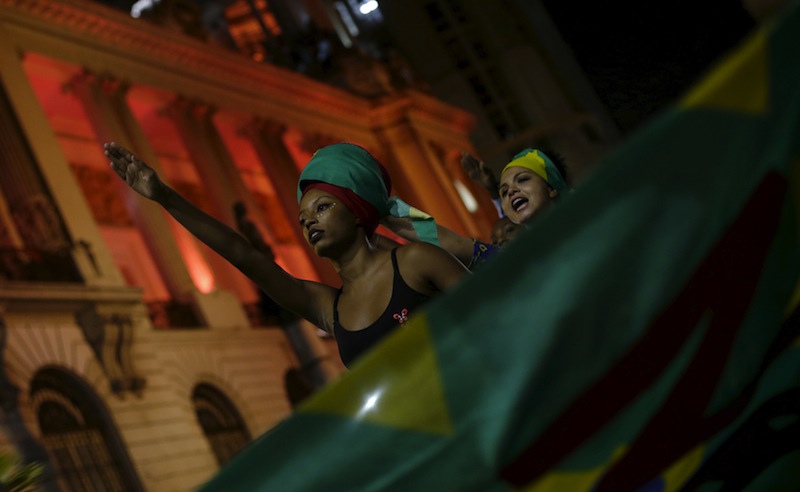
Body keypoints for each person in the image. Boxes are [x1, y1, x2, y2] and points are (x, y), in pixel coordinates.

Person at [104, 141, 468, 369]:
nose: (310, 221)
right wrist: (165, 197)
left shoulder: (418, 261)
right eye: (304, 218)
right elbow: (242, 254)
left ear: (357, 211)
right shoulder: (329, 308)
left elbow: (495, 311)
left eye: (322, 208)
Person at [382, 147, 570, 269]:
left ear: (552, 188)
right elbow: (444, 238)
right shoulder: (511, 260)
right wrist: (383, 208)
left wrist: (492, 189)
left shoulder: (592, 220)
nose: (511, 191)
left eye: (523, 179)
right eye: (504, 192)